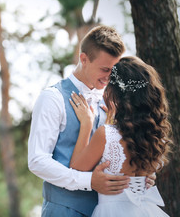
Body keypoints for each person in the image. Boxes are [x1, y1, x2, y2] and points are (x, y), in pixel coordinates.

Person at [28, 25, 136, 217]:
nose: (109, 77)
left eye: (113, 70)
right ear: (83, 59)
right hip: (63, 210)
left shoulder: (111, 103)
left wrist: (141, 177)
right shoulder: (53, 98)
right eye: (104, 69)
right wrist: (87, 181)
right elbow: (37, 160)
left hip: (106, 210)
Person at [69, 56, 172, 216]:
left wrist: (86, 125)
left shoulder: (106, 134)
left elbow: (75, 170)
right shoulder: (154, 137)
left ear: (114, 92)